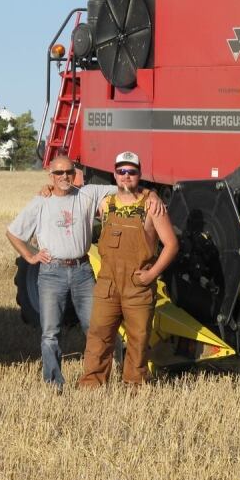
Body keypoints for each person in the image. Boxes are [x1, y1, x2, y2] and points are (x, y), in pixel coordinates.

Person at [7, 155, 162, 391]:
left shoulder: (88, 194)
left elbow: (127, 187)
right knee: (50, 332)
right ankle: (53, 382)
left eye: (68, 172)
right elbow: (13, 232)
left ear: (75, 173)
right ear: (50, 175)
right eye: (58, 173)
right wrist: (30, 256)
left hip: (82, 269)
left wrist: (152, 194)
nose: (64, 177)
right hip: (51, 272)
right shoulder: (41, 201)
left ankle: (112, 376)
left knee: (98, 327)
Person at [78, 151, 179, 388]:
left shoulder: (152, 206)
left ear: (139, 175)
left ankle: (134, 386)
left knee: (138, 339)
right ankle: (92, 384)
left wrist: (152, 275)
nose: (126, 176)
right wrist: (49, 190)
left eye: (131, 172)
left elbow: (172, 245)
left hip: (138, 285)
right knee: (98, 336)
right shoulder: (104, 203)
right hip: (108, 284)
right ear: (114, 174)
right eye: (121, 171)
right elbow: (69, 194)